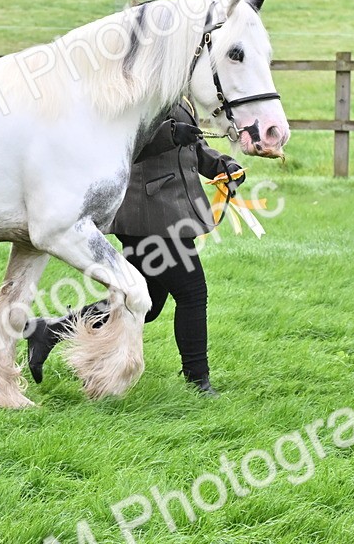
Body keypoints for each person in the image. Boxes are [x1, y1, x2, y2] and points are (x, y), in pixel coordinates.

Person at [22, 97, 243, 396]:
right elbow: (124, 146)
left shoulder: (180, 93)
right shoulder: (140, 93)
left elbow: (191, 144)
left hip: (168, 212)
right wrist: (171, 135)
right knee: (192, 293)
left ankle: (49, 331)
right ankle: (198, 381)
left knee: (144, 305)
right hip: (147, 212)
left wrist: (222, 165)